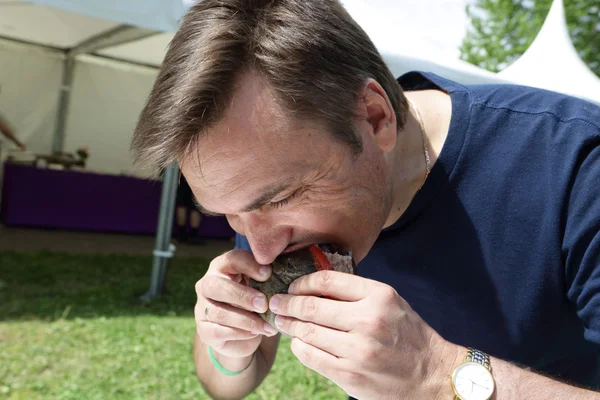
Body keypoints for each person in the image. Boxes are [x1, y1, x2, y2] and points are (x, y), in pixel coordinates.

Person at [130, 1, 600, 399]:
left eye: (283, 198)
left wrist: (436, 373)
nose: (263, 248)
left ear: (375, 118)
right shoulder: (264, 198)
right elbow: (226, 384)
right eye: (231, 213)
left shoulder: (578, 167)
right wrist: (229, 346)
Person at [175, 172, 203, 243]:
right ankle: (194, 235)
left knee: (181, 206)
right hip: (197, 176)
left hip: (180, 176)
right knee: (195, 207)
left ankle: (181, 233)